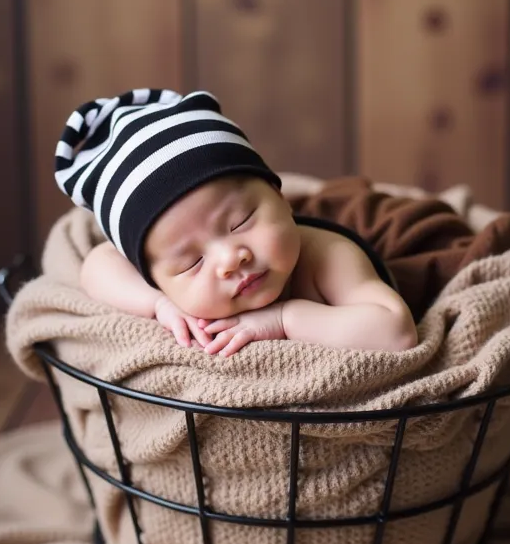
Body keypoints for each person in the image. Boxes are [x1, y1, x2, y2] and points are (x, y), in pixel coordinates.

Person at [55, 88, 417, 358]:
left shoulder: (327, 255)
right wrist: (159, 304)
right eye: (191, 262)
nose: (230, 259)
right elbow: (96, 265)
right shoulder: (166, 293)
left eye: (240, 221)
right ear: (155, 277)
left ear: (280, 198)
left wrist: (283, 320)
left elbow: (396, 332)